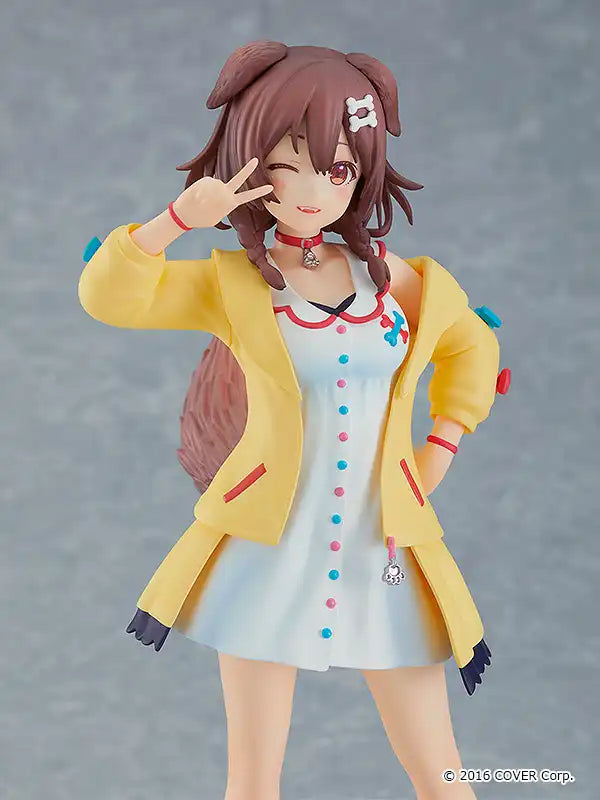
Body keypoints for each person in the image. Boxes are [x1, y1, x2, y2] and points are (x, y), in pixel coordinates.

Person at [78, 41, 502, 800]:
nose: (311, 190)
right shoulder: (236, 283)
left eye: (337, 170)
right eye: (287, 165)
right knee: (253, 781)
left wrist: (440, 445)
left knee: (443, 776)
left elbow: (472, 343)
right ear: (249, 162)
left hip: (383, 544)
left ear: (362, 173)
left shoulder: (392, 281)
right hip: (268, 546)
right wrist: (175, 219)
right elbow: (110, 298)